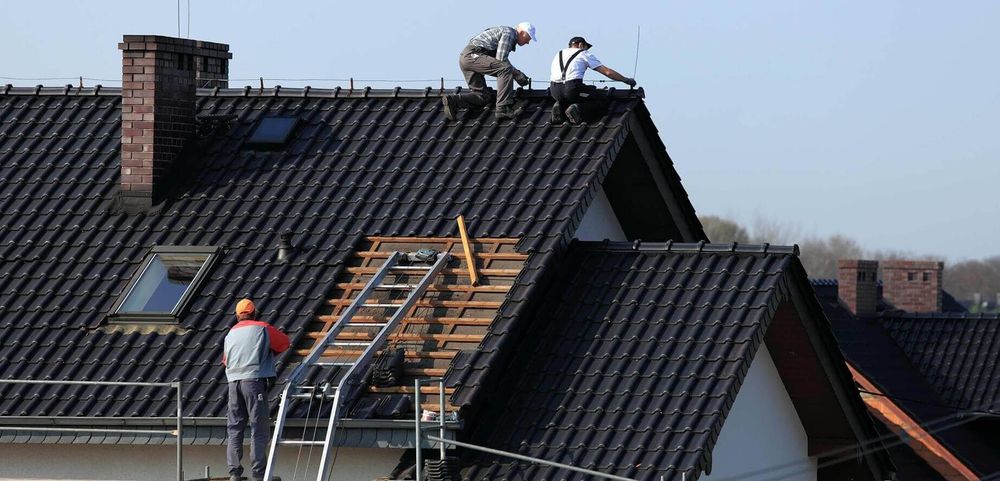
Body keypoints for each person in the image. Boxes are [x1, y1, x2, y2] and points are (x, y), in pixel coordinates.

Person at [223, 298, 290, 481]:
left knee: (235, 428)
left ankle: (234, 473)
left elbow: (225, 361)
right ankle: (259, 474)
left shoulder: (230, 334)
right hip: (253, 382)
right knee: (259, 427)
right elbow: (284, 343)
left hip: (233, 383)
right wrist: (267, 352)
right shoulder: (262, 328)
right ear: (254, 313)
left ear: (237, 316)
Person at [441, 22, 537, 121]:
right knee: (505, 69)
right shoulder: (510, 33)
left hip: (466, 58)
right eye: (528, 38)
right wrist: (517, 74)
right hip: (473, 56)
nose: (528, 42)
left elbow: (500, 62)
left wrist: (517, 74)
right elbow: (501, 61)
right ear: (522, 33)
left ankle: (453, 101)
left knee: (482, 96)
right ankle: (503, 108)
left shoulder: (504, 33)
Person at [549, 36, 636, 124]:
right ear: (581, 45)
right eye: (586, 47)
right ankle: (577, 109)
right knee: (601, 98)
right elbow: (607, 72)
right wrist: (626, 80)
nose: (586, 50)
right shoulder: (583, 54)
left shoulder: (558, 54)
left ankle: (560, 106)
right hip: (573, 89)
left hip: (555, 91)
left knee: (579, 94)